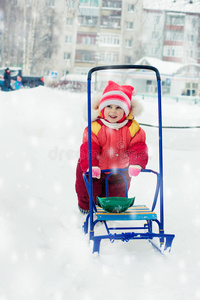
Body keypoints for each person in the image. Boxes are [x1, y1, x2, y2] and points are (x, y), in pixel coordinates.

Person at [75, 80, 148, 214]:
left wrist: (136, 163)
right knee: (89, 190)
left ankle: (114, 212)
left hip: (119, 170)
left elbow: (138, 147)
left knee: (117, 197)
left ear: (126, 111)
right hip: (95, 168)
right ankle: (86, 210)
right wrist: (91, 166)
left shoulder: (132, 128)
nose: (113, 111)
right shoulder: (95, 127)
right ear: (102, 108)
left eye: (119, 107)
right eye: (109, 106)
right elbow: (90, 148)